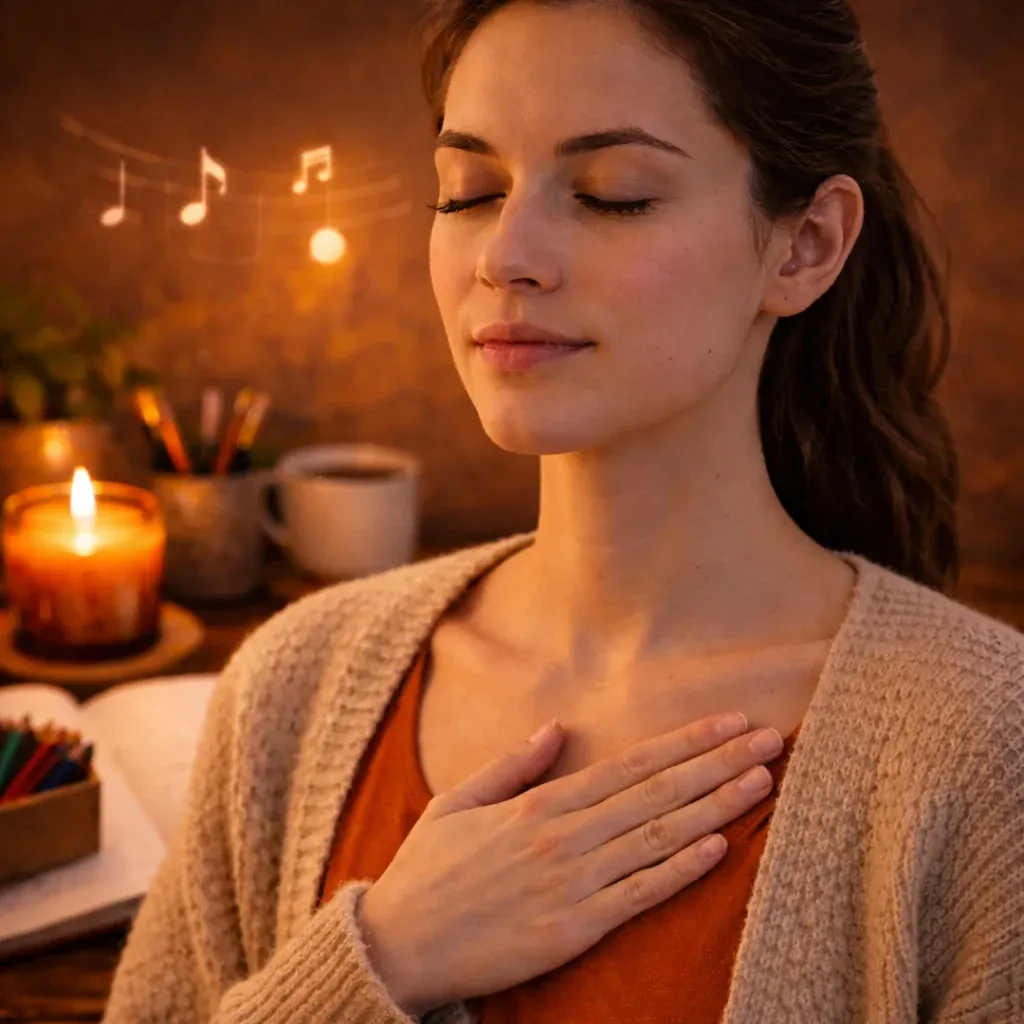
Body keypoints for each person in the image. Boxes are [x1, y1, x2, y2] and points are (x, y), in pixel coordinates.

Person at [103, 1, 1024, 1021]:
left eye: (610, 194)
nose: (506, 253)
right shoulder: (293, 686)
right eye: (471, 191)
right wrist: (381, 959)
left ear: (804, 245)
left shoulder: (983, 745)